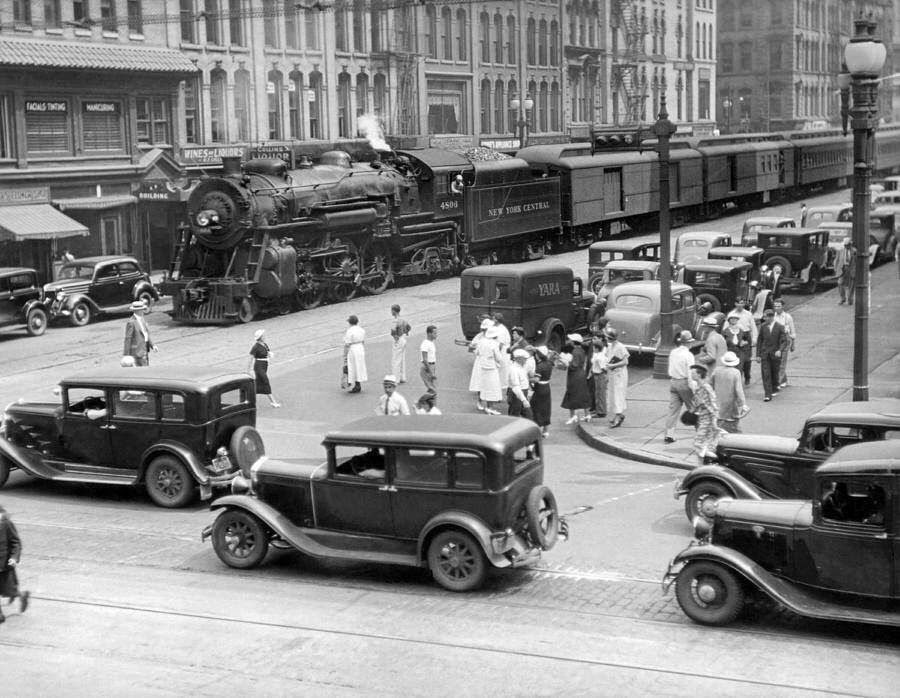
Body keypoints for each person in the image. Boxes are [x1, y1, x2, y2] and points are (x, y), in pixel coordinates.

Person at [664, 330, 696, 443]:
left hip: (673, 382)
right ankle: (700, 434)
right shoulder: (689, 355)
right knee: (694, 409)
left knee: (673, 410)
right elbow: (691, 373)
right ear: (688, 343)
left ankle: (669, 434)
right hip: (684, 383)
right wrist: (694, 389)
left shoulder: (673, 352)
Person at [0, 504, 29, 624]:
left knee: (9, 591)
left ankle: (22, 595)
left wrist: (14, 558)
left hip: (4, 565)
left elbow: (16, 542)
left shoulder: (6, 524)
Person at [689, 364, 722, 464]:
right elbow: (697, 404)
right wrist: (692, 411)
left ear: (699, 375)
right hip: (702, 419)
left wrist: (714, 420)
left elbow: (713, 404)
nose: (691, 374)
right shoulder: (698, 388)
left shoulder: (706, 387)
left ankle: (714, 460)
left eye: (693, 373)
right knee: (704, 445)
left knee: (698, 444)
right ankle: (701, 467)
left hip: (708, 420)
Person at [709, 351, 748, 433]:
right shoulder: (735, 372)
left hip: (717, 403)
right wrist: (743, 404)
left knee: (718, 427)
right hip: (731, 405)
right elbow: (738, 390)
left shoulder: (717, 370)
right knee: (734, 429)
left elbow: (710, 385)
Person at [468, 324, 504, 414]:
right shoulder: (494, 344)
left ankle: (482, 403)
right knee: (492, 387)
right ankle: (490, 407)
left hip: (482, 366)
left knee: (482, 385)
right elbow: (499, 358)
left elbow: (476, 352)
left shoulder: (481, 341)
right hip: (491, 367)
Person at [757, 308, 790, 401]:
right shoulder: (763, 326)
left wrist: (780, 350)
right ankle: (767, 394)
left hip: (775, 354)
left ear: (771, 317)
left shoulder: (779, 327)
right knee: (766, 373)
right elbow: (760, 340)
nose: (764, 318)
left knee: (775, 372)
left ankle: (775, 387)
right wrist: (758, 355)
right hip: (765, 354)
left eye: (765, 317)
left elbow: (784, 341)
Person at [560, 333, 592, 425]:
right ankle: (587, 414)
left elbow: (574, 365)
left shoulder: (575, 351)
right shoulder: (581, 350)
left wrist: (565, 362)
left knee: (571, 394)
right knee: (583, 394)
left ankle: (572, 416)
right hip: (581, 374)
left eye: (570, 340)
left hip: (575, 375)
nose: (569, 341)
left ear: (574, 342)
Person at [247, 329, 281, 407]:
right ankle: (273, 402)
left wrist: (270, 354)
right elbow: (250, 359)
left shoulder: (265, 344)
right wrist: (248, 370)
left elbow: (268, 352)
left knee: (258, 384)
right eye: (263, 335)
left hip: (264, 365)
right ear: (260, 337)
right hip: (258, 366)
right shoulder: (255, 347)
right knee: (265, 381)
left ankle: (248, 397)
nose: (265, 336)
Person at [604, 327, 629, 428]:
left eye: (607, 337)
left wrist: (613, 366)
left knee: (618, 394)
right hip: (612, 374)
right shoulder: (610, 346)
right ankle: (618, 414)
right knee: (612, 394)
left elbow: (625, 362)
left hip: (619, 374)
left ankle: (618, 417)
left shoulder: (620, 347)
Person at [123, 300, 156, 366]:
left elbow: (146, 334)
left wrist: (152, 345)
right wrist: (126, 354)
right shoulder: (131, 322)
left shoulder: (142, 319)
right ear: (137, 311)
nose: (143, 311)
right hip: (137, 351)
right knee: (141, 369)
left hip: (144, 348)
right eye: (142, 309)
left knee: (145, 366)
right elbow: (128, 338)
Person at [531, 345, 554, 438]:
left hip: (539, 388)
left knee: (536, 407)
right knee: (546, 408)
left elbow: (536, 379)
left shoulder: (540, 366)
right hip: (547, 387)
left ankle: (537, 428)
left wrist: (527, 378)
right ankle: (546, 430)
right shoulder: (549, 363)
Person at [722, 314, 752, 386]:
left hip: (740, 351)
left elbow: (747, 340)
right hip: (730, 352)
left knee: (739, 368)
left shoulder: (741, 331)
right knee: (731, 368)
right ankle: (731, 384)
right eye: (732, 319)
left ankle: (739, 383)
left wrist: (744, 343)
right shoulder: (725, 331)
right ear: (729, 320)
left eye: (735, 319)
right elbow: (722, 342)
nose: (733, 320)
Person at [772, 298, 796, 388]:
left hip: (785, 340)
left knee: (782, 361)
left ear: (783, 306)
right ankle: (783, 379)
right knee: (776, 361)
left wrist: (793, 344)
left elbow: (792, 331)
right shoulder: (772, 317)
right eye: (775, 306)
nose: (777, 308)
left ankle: (777, 382)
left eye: (779, 306)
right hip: (775, 340)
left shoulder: (788, 317)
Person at [343, 315, 367, 393]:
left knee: (352, 366)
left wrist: (345, 355)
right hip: (360, 347)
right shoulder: (361, 329)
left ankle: (355, 384)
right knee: (359, 366)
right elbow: (363, 341)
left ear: (350, 322)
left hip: (353, 349)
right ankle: (357, 383)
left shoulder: (349, 331)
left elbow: (347, 344)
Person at [507, 348, 533, 419]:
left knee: (528, 416)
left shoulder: (521, 367)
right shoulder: (514, 370)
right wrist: (524, 400)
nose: (526, 360)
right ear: (519, 359)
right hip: (517, 395)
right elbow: (516, 387)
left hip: (521, 393)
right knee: (514, 417)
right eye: (524, 359)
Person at [589, 334, 608, 419]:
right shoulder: (597, 355)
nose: (593, 349)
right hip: (597, 375)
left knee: (600, 394)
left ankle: (601, 412)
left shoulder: (599, 357)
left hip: (600, 375)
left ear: (597, 348)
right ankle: (598, 409)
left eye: (594, 347)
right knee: (598, 393)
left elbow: (603, 368)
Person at [389, 304, 411, 383]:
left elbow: (393, 331)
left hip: (398, 340)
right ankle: (402, 377)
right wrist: (406, 332)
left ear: (394, 311)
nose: (391, 312)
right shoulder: (403, 319)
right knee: (402, 358)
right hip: (403, 338)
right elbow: (409, 327)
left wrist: (395, 337)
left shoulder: (395, 320)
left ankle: (396, 378)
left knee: (396, 359)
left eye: (392, 310)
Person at [834, 238, 857, 305]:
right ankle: (842, 298)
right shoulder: (840, 251)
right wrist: (836, 269)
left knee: (851, 285)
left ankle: (850, 299)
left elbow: (857, 261)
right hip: (842, 268)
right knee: (840, 283)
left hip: (851, 269)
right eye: (845, 245)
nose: (846, 246)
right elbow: (836, 260)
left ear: (850, 244)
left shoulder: (854, 251)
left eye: (847, 245)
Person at [419, 324, 438, 393]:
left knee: (431, 388)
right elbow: (425, 359)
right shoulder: (425, 344)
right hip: (427, 367)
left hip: (431, 366)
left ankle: (430, 401)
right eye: (434, 333)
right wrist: (431, 372)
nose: (436, 335)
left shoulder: (431, 343)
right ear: (429, 334)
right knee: (432, 388)